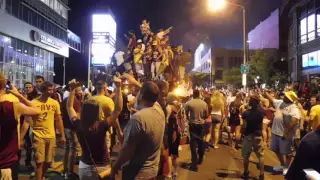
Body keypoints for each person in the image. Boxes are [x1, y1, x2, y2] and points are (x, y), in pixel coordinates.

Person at [66, 78, 123, 180]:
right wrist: (118, 88)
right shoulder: (102, 126)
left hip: (84, 166)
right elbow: (118, 109)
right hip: (102, 167)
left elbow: (70, 107)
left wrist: (72, 89)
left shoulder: (79, 125)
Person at [111, 81, 166, 180]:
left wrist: (115, 167)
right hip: (152, 171)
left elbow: (127, 151)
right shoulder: (159, 110)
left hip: (137, 174)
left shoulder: (138, 119)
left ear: (141, 95)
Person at [20, 82, 66, 180]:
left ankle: (41, 176)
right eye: (49, 90)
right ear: (43, 90)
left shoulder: (54, 103)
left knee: (48, 162)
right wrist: (21, 138)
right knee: (39, 162)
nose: (51, 91)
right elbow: (27, 121)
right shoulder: (33, 103)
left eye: (52, 89)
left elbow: (58, 120)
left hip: (51, 135)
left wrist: (62, 135)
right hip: (38, 135)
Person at [0, 73, 41, 180]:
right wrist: (18, 95)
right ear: (4, 86)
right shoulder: (11, 106)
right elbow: (37, 110)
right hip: (5, 163)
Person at [264, 90, 300, 175]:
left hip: (286, 134)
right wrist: (265, 92)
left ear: (289, 99)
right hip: (276, 131)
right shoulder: (280, 102)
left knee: (288, 152)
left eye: (286, 96)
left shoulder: (294, 108)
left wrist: (286, 133)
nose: (284, 96)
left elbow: (293, 122)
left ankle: (286, 168)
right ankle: (282, 165)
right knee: (276, 150)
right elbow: (271, 99)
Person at [241, 95, 265, 180]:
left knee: (246, 155)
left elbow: (244, 126)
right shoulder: (261, 112)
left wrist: (242, 132)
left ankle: (246, 172)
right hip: (258, 135)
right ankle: (261, 175)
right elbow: (261, 123)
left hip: (248, 136)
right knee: (261, 156)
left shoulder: (246, 113)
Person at [62, 85, 83, 179]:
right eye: (79, 90)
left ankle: (65, 171)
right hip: (72, 129)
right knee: (73, 150)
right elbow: (77, 117)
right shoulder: (75, 102)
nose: (81, 92)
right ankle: (70, 172)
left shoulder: (66, 99)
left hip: (66, 127)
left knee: (67, 149)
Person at [185, 89, 208, 171]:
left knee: (193, 144)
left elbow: (186, 114)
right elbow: (206, 114)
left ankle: (194, 164)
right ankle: (201, 157)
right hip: (201, 125)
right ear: (199, 94)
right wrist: (202, 118)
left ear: (193, 94)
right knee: (201, 142)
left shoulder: (189, 103)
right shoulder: (204, 103)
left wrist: (189, 119)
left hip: (192, 124)